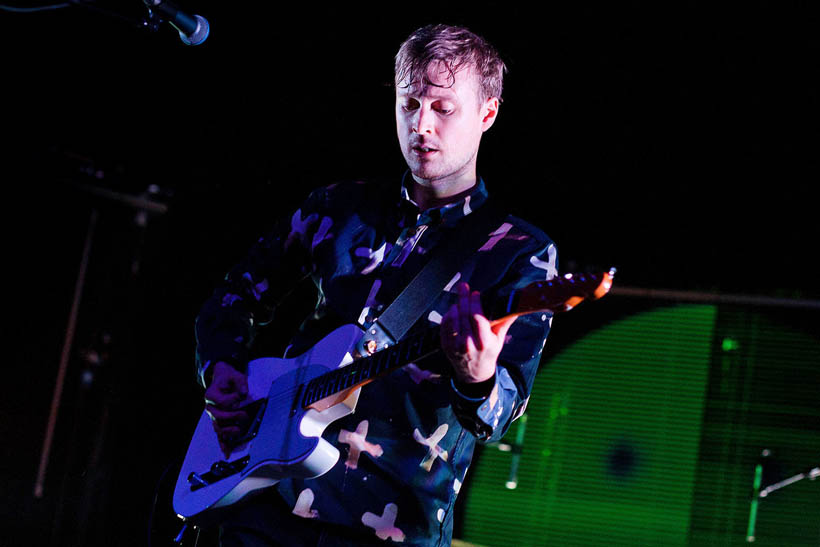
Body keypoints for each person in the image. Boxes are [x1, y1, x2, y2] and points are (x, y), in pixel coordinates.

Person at [194, 24, 558, 546]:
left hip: (389, 526)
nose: (421, 125)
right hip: (263, 502)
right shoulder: (339, 207)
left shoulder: (519, 252)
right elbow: (234, 294)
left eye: (443, 108)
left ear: (487, 113)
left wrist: (478, 377)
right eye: (409, 104)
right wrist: (222, 365)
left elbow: (500, 415)